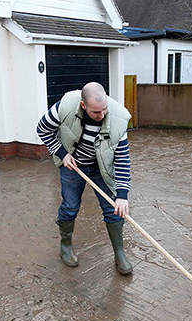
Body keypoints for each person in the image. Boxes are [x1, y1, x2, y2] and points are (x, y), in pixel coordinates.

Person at [36, 82, 133, 275]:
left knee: (113, 208)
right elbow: (42, 130)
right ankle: (65, 246)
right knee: (70, 206)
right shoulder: (64, 107)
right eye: (96, 112)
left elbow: (122, 160)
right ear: (83, 106)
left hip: (101, 167)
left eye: (104, 109)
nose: (102, 115)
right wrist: (62, 154)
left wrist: (122, 195)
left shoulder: (118, 120)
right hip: (73, 164)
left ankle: (119, 252)